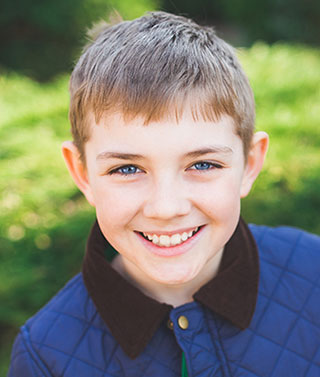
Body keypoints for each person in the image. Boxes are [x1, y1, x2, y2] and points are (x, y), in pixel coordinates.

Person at [8, 11, 320, 377]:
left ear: (250, 164)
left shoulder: (313, 272)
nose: (166, 207)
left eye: (202, 165)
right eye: (127, 169)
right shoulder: (45, 355)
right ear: (82, 173)